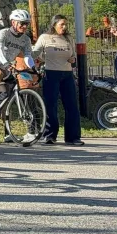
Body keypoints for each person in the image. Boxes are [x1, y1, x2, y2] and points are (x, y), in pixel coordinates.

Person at [34, 14, 82, 146]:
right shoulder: (45, 37)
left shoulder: (68, 38)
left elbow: (73, 55)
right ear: (54, 24)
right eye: (62, 24)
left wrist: (73, 59)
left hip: (67, 75)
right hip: (51, 74)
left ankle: (73, 137)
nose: (64, 27)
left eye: (66, 24)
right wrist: (35, 60)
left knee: (72, 105)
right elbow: (36, 52)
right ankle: (50, 135)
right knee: (51, 105)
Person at [0, 9, 36, 105]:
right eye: (22, 23)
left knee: (11, 87)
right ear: (13, 22)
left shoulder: (26, 39)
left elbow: (27, 56)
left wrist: (33, 68)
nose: (25, 26)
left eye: (27, 24)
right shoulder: (4, 33)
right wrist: (6, 63)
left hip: (6, 64)